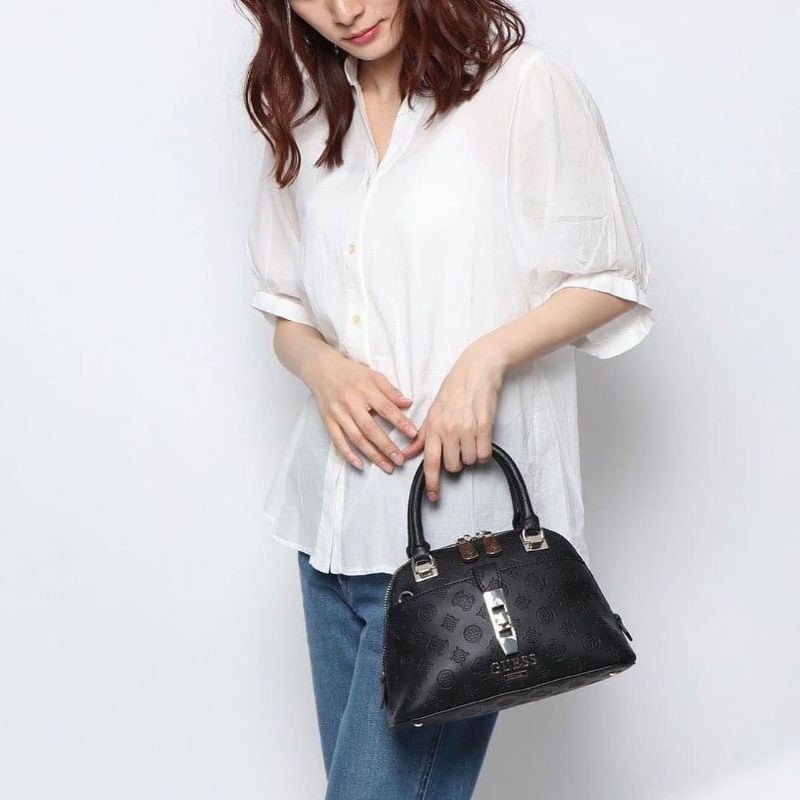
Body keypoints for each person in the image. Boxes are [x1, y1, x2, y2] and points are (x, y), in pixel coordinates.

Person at [239, 1, 654, 798]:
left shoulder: (523, 90)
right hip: (328, 532)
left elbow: (611, 276)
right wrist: (321, 368)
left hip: (462, 551)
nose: (345, 10)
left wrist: (486, 357)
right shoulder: (307, 118)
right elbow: (285, 308)